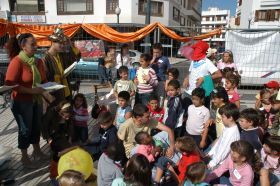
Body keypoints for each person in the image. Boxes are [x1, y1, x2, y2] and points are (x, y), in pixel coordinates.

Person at [5, 33, 47, 168]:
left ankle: (37, 150)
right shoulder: (16, 62)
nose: (36, 46)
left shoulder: (38, 61)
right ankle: (24, 157)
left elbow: (44, 80)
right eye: (32, 44)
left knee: (36, 126)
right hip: (22, 102)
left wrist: (50, 87)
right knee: (25, 129)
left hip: (37, 100)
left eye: (36, 43)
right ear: (23, 46)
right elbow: (10, 85)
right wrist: (32, 91)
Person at [43, 27, 79, 104]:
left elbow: (76, 58)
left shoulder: (62, 55)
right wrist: (58, 78)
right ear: (53, 42)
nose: (62, 45)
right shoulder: (45, 59)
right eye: (60, 43)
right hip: (56, 96)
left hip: (67, 92)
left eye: (63, 43)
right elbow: (45, 80)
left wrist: (71, 45)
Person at [182, 41, 222, 109]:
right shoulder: (194, 61)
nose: (195, 51)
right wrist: (187, 78)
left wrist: (204, 78)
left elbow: (219, 74)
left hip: (201, 95)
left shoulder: (207, 62)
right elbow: (191, 72)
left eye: (198, 49)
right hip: (189, 92)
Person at [41, 101, 73, 179]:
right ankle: (54, 171)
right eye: (66, 117)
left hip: (62, 133)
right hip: (52, 134)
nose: (67, 118)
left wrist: (70, 137)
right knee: (58, 151)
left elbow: (70, 126)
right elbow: (44, 126)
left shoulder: (67, 115)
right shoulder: (51, 113)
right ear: (61, 112)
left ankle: (60, 166)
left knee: (67, 148)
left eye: (69, 117)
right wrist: (48, 138)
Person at [207, 103, 240, 169]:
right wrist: (211, 153)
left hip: (220, 163)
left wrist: (212, 163)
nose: (221, 119)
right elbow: (219, 142)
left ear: (230, 118)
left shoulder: (232, 133)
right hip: (216, 158)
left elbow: (224, 150)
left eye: (223, 117)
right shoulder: (227, 127)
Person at [151, 43, 171, 108]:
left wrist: (167, 81)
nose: (155, 54)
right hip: (151, 81)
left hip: (161, 82)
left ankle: (160, 112)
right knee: (152, 98)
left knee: (160, 98)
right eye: (154, 52)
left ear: (161, 51)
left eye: (157, 52)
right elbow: (145, 68)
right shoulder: (150, 58)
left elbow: (169, 71)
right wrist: (152, 61)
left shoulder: (165, 59)